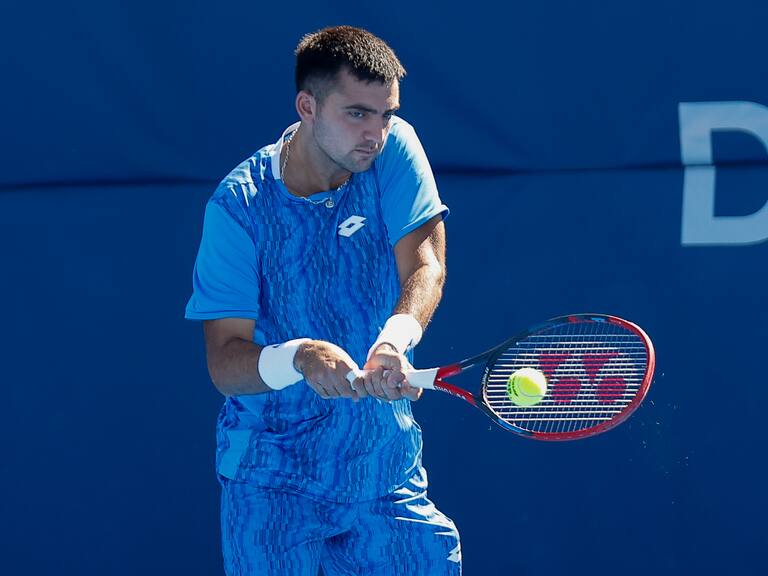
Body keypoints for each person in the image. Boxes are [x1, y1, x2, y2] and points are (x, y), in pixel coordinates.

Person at [185, 25, 461, 575]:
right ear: (307, 106)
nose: (375, 133)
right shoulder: (238, 208)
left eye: (385, 115)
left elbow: (426, 263)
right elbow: (224, 361)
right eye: (356, 113)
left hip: (384, 469)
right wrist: (302, 356)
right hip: (272, 481)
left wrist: (394, 340)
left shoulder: (394, 147)